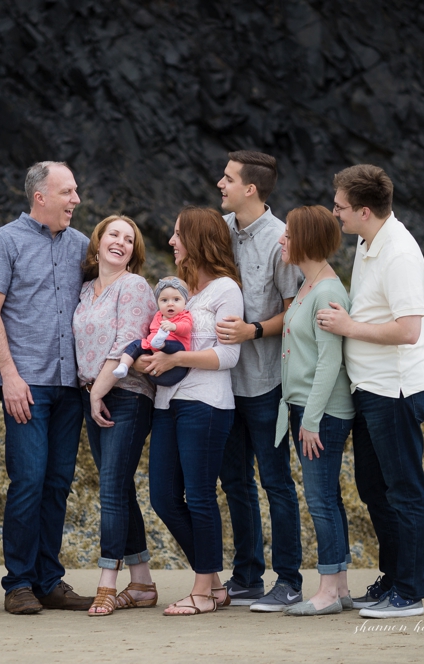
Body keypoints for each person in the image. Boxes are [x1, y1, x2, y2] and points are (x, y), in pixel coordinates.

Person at [315, 164, 424, 618]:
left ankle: (410, 593)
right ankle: (393, 577)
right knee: (373, 487)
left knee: (404, 489)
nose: (335, 213)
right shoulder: (366, 239)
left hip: (395, 390)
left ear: (365, 211)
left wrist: (349, 326)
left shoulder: (400, 253)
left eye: (340, 207)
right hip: (368, 387)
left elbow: (409, 330)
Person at [0, 161, 94, 614]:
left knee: (58, 483)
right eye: (68, 192)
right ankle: (18, 584)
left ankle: (50, 580)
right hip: (26, 384)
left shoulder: (83, 245)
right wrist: (8, 376)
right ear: (40, 196)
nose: (76, 200)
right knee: (27, 481)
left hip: (71, 386)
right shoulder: (5, 241)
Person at [207, 151, 307, 610]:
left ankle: (289, 580)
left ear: (250, 188)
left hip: (267, 383)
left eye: (227, 179)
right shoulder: (220, 230)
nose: (219, 183)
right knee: (235, 483)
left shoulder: (282, 238)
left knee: (275, 482)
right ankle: (246, 576)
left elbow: (297, 308)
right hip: (224, 383)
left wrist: (255, 330)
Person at [141, 206, 246, 615]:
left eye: (178, 234)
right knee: (164, 497)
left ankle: (202, 592)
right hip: (167, 404)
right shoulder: (183, 291)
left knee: (200, 496)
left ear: (199, 239)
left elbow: (228, 355)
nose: (171, 241)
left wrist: (176, 361)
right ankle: (215, 583)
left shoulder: (226, 289)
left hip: (206, 403)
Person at [72, 214, 161, 616]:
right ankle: (141, 582)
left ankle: (108, 581)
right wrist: (90, 392)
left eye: (129, 239)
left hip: (126, 396)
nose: (121, 242)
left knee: (110, 487)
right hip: (95, 395)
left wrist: (97, 393)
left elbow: (128, 342)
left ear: (133, 251)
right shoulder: (86, 289)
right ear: (98, 241)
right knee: (119, 488)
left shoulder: (135, 286)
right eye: (114, 235)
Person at [274, 205, 356, 615]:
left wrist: (310, 421)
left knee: (321, 500)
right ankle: (338, 587)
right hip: (307, 407)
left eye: (288, 234)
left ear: (305, 239)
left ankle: (325, 591)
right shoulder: (310, 285)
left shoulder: (326, 291)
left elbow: (330, 361)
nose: (281, 240)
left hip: (320, 411)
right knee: (328, 498)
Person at [114, 279, 197, 387]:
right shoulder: (158, 315)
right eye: (164, 300)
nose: (170, 304)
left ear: (185, 302)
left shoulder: (184, 315)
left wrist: (174, 326)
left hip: (175, 357)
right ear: (157, 302)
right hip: (153, 354)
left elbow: (186, 327)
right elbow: (152, 330)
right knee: (136, 344)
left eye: (176, 299)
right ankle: (123, 365)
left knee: (177, 346)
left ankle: (161, 343)